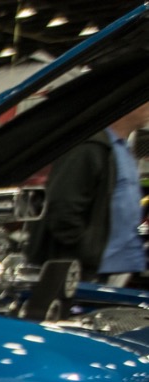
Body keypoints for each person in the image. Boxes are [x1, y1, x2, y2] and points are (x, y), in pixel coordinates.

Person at [28, 103, 149, 284]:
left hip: (120, 272)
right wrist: (91, 255)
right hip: (88, 275)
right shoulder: (88, 148)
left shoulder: (121, 149)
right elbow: (62, 210)